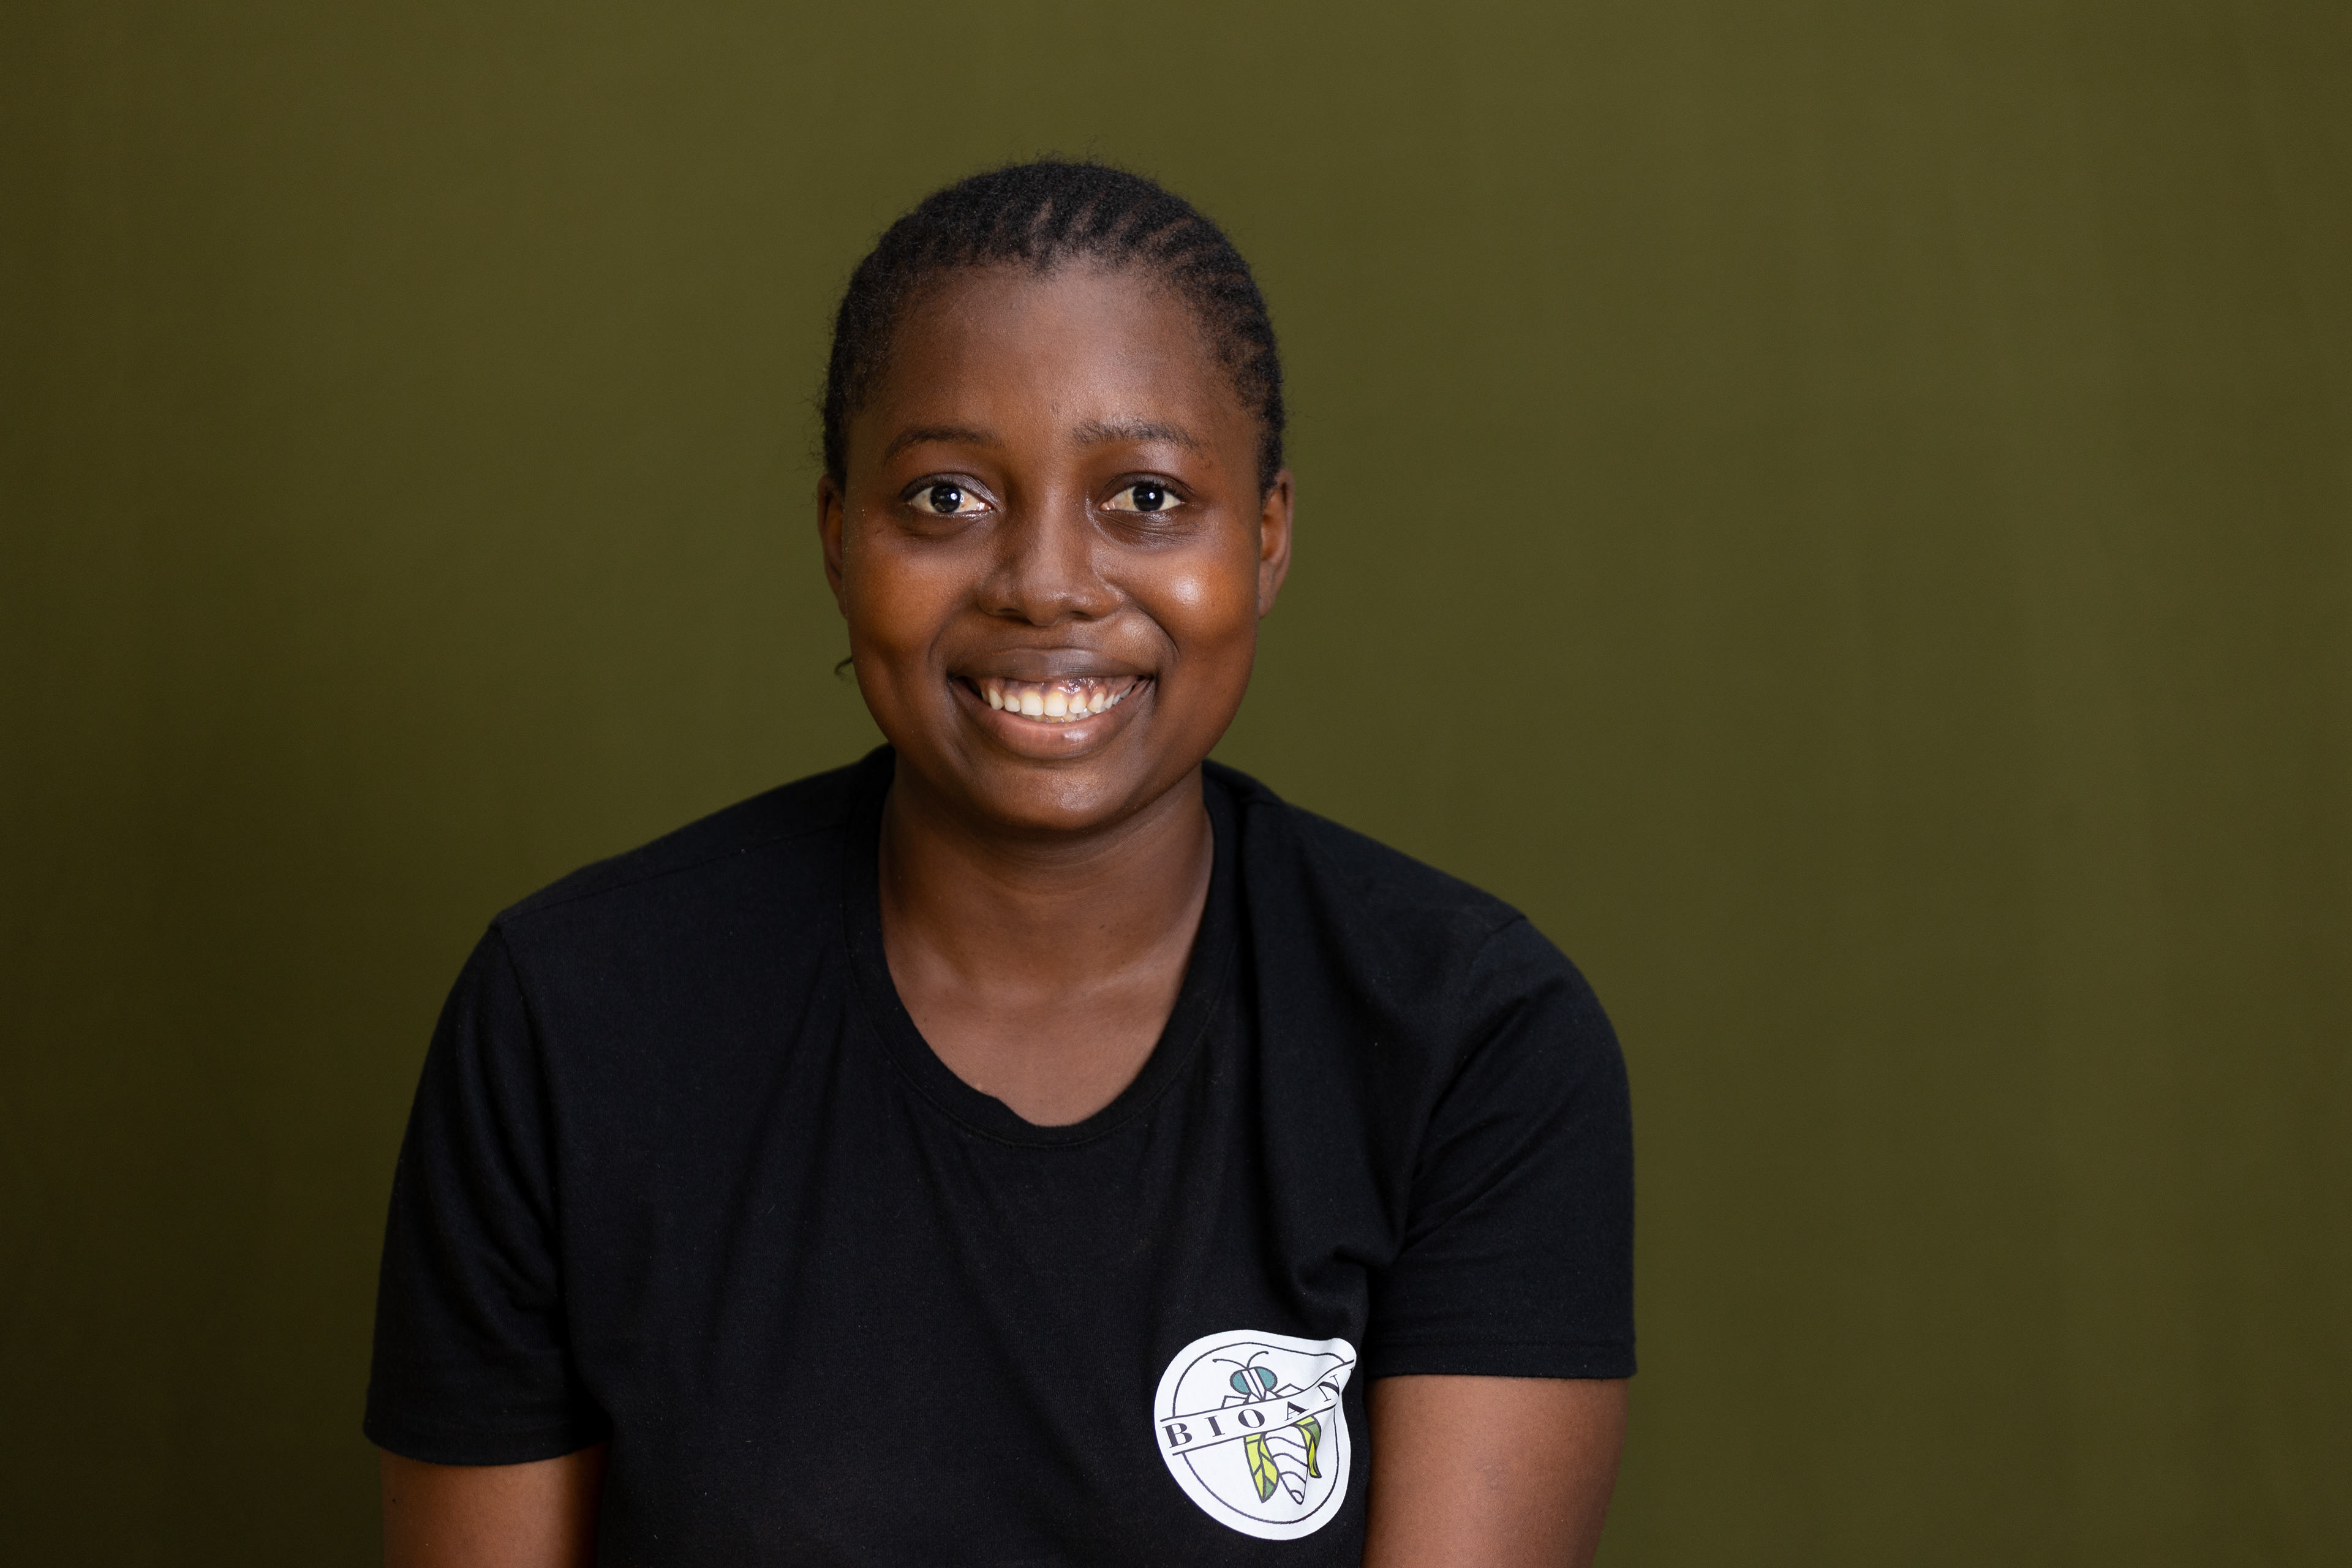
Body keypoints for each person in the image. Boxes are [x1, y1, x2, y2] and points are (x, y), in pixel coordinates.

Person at [366, 160, 1634, 1567]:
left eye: (1145, 494)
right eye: (948, 495)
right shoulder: (572, 1016)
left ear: (1267, 536)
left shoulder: (1473, 1041)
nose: (1045, 580)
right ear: (838, 535)